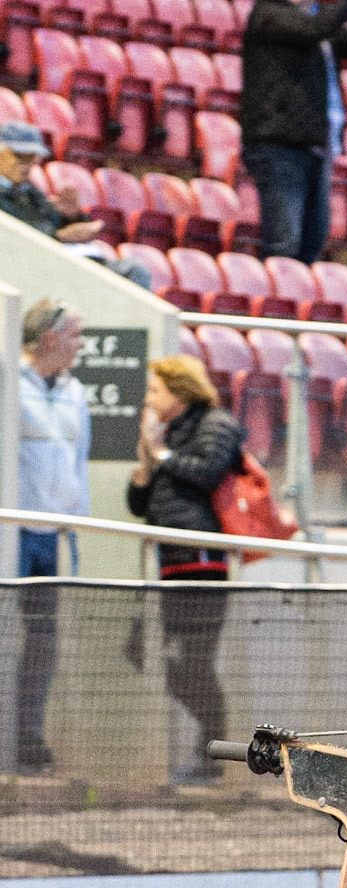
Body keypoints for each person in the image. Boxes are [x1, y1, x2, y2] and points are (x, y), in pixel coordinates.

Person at [126, 357, 244, 784]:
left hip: (203, 564)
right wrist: (145, 460)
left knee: (196, 661)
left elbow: (208, 473)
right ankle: (209, 744)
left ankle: (210, 753)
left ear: (179, 391)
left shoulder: (216, 423)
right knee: (139, 649)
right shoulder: (165, 433)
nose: (149, 399)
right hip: (168, 565)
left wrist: (159, 452)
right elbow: (139, 504)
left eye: (155, 390)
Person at [17, 297, 90, 774]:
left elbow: (77, 461)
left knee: (42, 641)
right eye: (74, 336)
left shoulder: (75, 392)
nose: (81, 345)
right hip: (12, 533)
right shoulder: (8, 382)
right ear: (48, 338)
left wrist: (73, 521)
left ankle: (27, 736)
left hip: (51, 537)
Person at [240, 0, 347, 264]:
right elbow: (314, 29)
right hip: (279, 143)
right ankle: (277, 299)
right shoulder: (270, 13)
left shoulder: (316, 19)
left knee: (312, 242)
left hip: (314, 143)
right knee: (284, 243)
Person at [0, 122, 151, 289]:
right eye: (21, 157)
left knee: (134, 270)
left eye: (32, 159)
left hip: (66, 260)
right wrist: (59, 236)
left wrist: (72, 216)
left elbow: (52, 220)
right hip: (40, 267)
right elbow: (11, 232)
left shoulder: (29, 190)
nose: (27, 166)